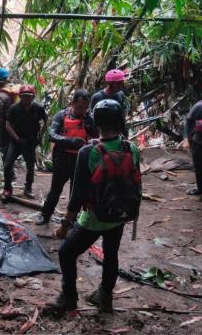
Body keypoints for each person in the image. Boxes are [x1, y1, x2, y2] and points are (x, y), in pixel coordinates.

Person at [48, 99, 141, 315]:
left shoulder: (88, 152)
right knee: (111, 255)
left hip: (94, 218)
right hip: (121, 214)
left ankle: (69, 298)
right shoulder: (132, 148)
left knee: (65, 253)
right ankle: (105, 298)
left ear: (96, 122)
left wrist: (65, 225)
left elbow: (77, 195)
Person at [36, 89, 97, 225]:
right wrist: (71, 141)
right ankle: (45, 214)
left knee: (76, 191)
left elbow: (98, 137)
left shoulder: (90, 118)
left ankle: (71, 219)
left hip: (81, 160)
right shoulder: (62, 115)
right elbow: (52, 135)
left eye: (85, 107)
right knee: (55, 190)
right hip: (62, 158)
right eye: (79, 107)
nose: (82, 110)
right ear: (73, 103)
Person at [3, 84, 48, 199]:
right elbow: (8, 125)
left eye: (29, 96)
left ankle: (28, 188)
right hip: (16, 141)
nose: (26, 99)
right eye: (24, 96)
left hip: (30, 140)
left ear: (33, 97)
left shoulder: (38, 108)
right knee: (7, 165)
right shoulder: (14, 108)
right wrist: (17, 139)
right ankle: (7, 189)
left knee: (30, 167)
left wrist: (40, 137)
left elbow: (46, 122)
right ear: (20, 96)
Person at [0, 67, 18, 161]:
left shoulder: (0, 95)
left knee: (4, 147)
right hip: (17, 123)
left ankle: (9, 171)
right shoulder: (12, 89)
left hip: (6, 126)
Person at [90, 69, 128, 136]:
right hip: (102, 134)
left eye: (122, 82)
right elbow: (93, 119)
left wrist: (124, 134)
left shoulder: (120, 94)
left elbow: (121, 116)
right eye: (118, 83)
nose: (121, 85)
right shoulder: (97, 97)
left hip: (117, 133)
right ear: (110, 83)